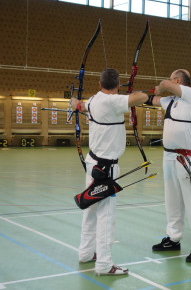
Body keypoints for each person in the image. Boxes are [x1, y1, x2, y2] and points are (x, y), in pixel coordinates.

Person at [71, 68, 148, 275]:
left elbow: (80, 105)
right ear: (118, 84)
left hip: (93, 163)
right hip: (106, 168)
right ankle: (104, 264)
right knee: (106, 216)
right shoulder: (112, 101)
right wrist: (135, 93)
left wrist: (74, 103)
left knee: (91, 210)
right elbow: (142, 97)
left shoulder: (94, 100)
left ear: (99, 84)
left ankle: (86, 253)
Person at [146, 69, 191, 263]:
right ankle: (174, 237)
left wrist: (162, 86)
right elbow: (152, 100)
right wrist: (129, 98)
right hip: (169, 156)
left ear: (178, 80)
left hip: (187, 157)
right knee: (172, 199)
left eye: (172, 78)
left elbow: (165, 85)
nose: (169, 82)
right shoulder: (171, 101)